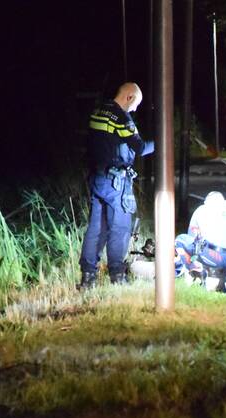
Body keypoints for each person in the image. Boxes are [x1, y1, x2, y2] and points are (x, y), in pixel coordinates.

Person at [80, 82, 155, 287]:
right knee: (120, 228)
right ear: (129, 97)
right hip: (116, 183)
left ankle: (88, 276)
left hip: (97, 178)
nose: (136, 109)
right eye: (136, 103)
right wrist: (160, 143)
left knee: (96, 227)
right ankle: (117, 276)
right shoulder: (122, 117)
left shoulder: (99, 111)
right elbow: (139, 148)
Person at [175, 192, 226, 287]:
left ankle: (195, 270)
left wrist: (195, 257)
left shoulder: (201, 210)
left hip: (211, 256)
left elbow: (193, 237)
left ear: (206, 202)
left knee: (180, 240)